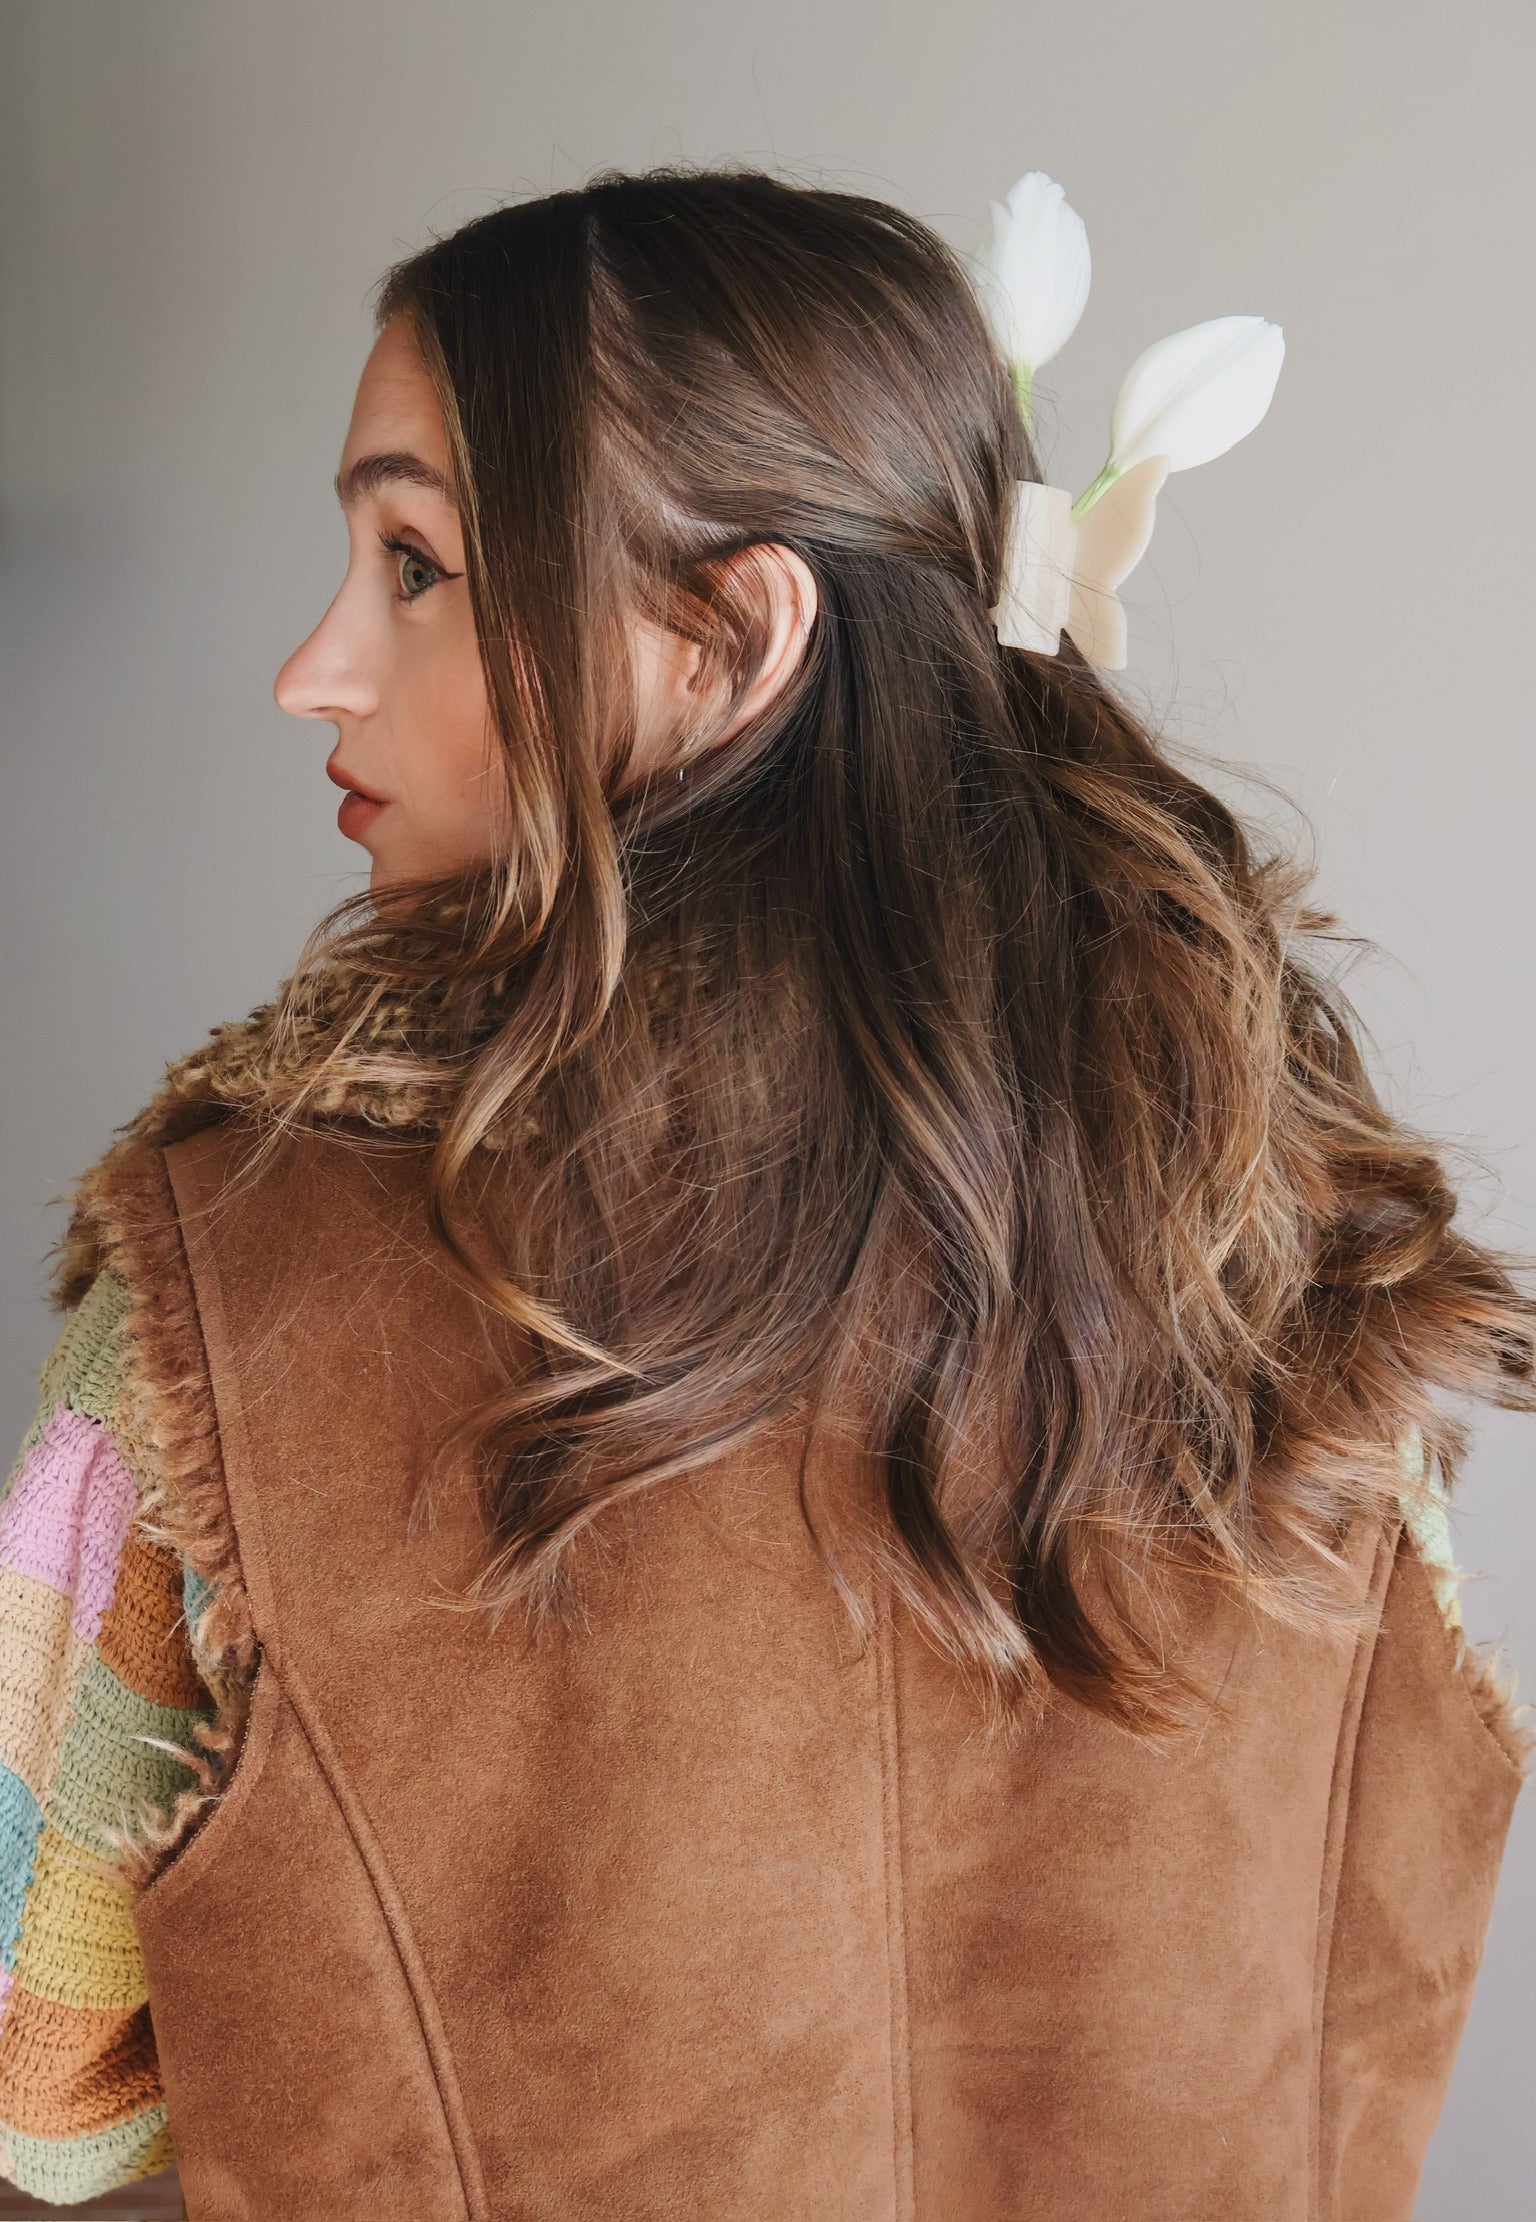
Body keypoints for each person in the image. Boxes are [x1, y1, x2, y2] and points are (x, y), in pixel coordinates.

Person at [0, 166, 1529, 2220]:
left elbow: (48, 2084)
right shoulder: (1299, 1260)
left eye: (418, 564)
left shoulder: (222, 1292)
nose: (317, 663)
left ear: (730, 630)